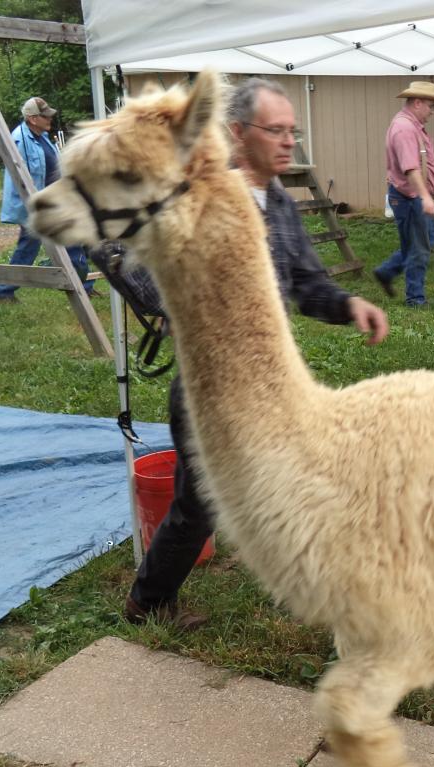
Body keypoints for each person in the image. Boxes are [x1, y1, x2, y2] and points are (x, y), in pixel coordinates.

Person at [124, 77, 390, 629]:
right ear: (238, 133)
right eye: (276, 130)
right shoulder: (199, 199)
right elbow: (145, 276)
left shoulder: (282, 207)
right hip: (212, 392)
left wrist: (349, 306)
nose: (289, 142)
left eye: (293, 131)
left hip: (269, 389)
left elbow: (308, 283)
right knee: (198, 509)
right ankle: (146, 603)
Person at [0, 96, 92, 302]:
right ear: (32, 118)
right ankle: (5, 291)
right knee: (29, 247)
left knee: (73, 238)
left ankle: (84, 285)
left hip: (56, 202)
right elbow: (22, 178)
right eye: (45, 116)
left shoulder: (41, 136)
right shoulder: (20, 140)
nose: (50, 118)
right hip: (39, 205)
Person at [372, 81, 434, 308]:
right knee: (419, 247)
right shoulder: (404, 129)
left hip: (411, 195)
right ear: (417, 103)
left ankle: (386, 272)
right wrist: (424, 197)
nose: (433, 112)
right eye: (431, 106)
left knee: (421, 242)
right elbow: (411, 168)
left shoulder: (410, 126)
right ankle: (415, 298)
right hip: (410, 197)